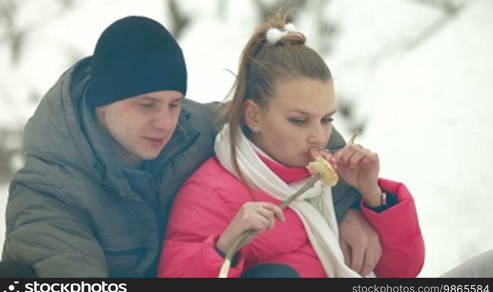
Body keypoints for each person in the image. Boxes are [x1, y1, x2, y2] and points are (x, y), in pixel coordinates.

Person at [1, 15, 379, 277]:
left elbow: (292, 124)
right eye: (146, 105)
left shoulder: (191, 128)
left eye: (174, 103)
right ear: (102, 102)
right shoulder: (48, 196)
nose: (164, 122)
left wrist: (346, 204)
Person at [158, 11, 425, 278]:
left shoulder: (332, 185)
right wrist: (224, 247)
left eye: (326, 119)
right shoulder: (208, 194)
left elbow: (401, 273)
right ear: (254, 116)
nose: (319, 137)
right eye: (299, 120)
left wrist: (373, 197)